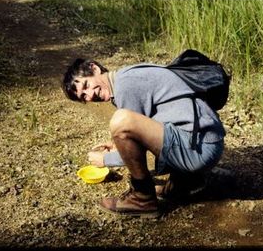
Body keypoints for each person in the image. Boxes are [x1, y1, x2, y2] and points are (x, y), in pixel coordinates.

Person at [62, 57, 226, 218]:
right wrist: (117, 144)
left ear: (94, 68)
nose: (90, 95)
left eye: (86, 85)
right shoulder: (126, 76)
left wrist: (105, 160)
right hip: (205, 141)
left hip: (200, 150)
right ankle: (186, 182)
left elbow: (132, 142)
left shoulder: (125, 85)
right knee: (124, 123)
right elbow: (143, 132)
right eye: (83, 96)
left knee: (121, 120)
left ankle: (142, 198)